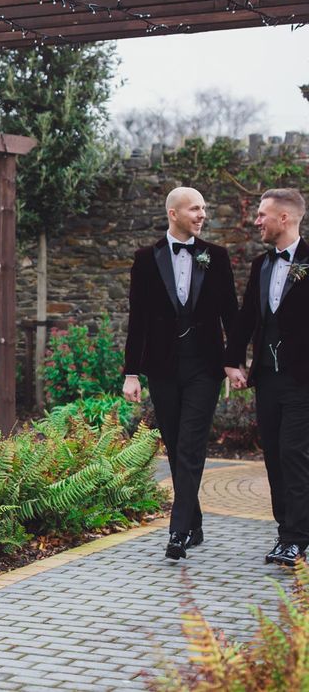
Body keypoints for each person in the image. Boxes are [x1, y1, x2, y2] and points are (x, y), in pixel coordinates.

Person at [123, 186, 238, 560]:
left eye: (204, 208)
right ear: (173, 213)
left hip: (205, 366)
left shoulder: (216, 257)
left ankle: (178, 532)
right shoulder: (146, 259)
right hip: (162, 367)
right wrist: (132, 373)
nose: (202, 215)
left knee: (190, 444)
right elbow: (137, 319)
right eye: (195, 209)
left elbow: (231, 314)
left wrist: (234, 360)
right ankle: (195, 522)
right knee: (174, 444)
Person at [225, 188, 309, 567]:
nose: (256, 221)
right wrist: (232, 361)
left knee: (293, 454)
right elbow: (247, 318)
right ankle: (285, 532)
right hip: (268, 378)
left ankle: (296, 538)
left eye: (262, 215)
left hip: (303, 380)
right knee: (274, 456)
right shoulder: (261, 264)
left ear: (285, 218)